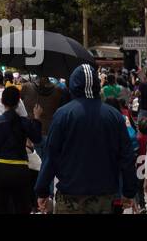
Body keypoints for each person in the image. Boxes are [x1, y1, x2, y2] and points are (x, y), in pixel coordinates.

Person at [34, 64, 136, 214]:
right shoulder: (114, 116)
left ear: (73, 86)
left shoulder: (63, 115)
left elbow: (51, 156)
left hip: (70, 198)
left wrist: (42, 190)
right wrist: (129, 191)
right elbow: (126, 157)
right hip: (104, 198)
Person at [0, 85, 41, 214]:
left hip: (0, 171)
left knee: (1, 208)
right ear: (19, 102)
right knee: (21, 207)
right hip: (21, 170)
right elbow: (37, 138)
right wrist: (36, 118)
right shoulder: (24, 122)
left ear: (2, 101)